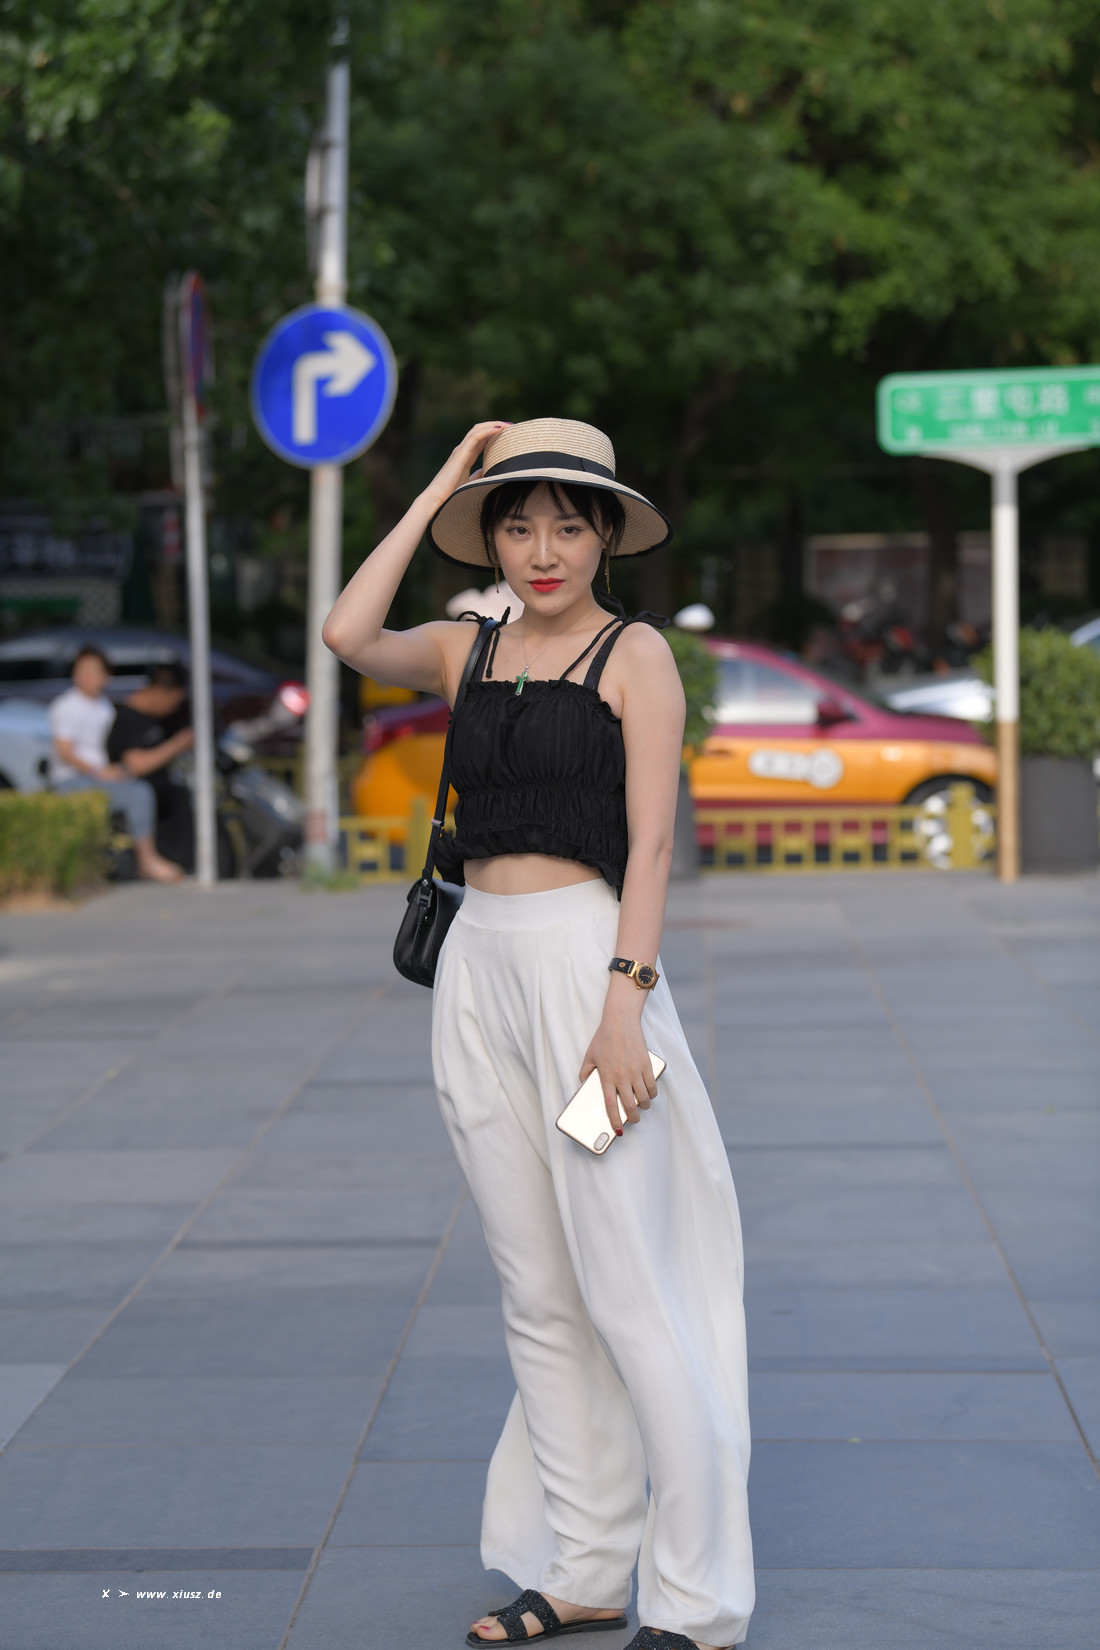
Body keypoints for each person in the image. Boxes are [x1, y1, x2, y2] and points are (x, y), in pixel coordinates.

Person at [323, 418, 754, 1650]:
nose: (543, 549)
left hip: (587, 976)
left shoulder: (635, 655)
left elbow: (652, 842)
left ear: (606, 534)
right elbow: (346, 634)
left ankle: (696, 1599)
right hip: (476, 973)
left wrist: (623, 1006)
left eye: (568, 524)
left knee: (628, 1279)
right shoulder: (467, 647)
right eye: (516, 525)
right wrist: (444, 482)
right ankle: (583, 1569)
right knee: (536, 1290)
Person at [49, 645, 183, 883]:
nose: (86, 676)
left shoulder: (105, 707)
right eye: (81, 670)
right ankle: (147, 860)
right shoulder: (67, 706)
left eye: (93, 671)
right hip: (71, 780)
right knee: (139, 794)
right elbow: (65, 752)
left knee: (145, 783)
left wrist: (116, 771)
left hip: (97, 776)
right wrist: (98, 772)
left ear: (106, 676)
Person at [106, 661, 196, 870]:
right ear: (160, 691)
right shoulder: (127, 718)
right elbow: (135, 765)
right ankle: (155, 862)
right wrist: (176, 745)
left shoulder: (154, 718)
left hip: (161, 796)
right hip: (139, 792)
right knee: (164, 795)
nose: (174, 708)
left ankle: (184, 863)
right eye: (174, 701)